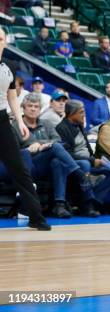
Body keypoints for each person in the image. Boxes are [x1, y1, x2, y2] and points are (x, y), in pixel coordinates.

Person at [0, 28, 50, 230]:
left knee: (20, 169)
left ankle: (36, 217)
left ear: (5, 41)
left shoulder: (9, 66)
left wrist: (20, 121)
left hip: (2, 120)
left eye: (0, 38)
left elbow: (12, 96)